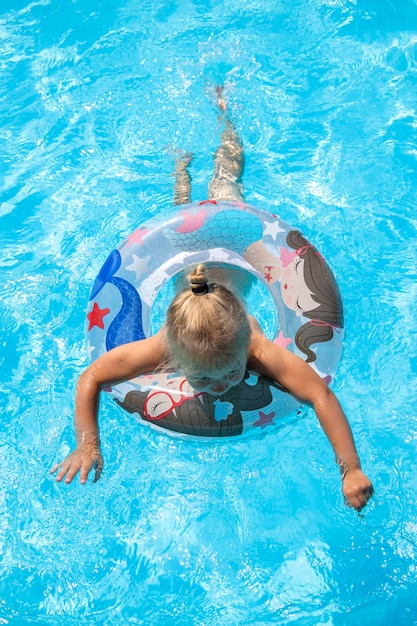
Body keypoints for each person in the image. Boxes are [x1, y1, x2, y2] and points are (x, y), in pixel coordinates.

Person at [51, 88, 374, 512]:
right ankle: (180, 162)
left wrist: (349, 468)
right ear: (176, 362)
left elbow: (321, 396)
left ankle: (227, 122)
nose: (223, 386)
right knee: (180, 204)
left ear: (246, 348)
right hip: (186, 257)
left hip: (233, 239)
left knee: (225, 186)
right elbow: (90, 378)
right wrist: (88, 444)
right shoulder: (165, 345)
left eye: (231, 372)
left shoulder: (255, 346)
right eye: (205, 380)